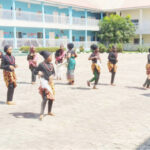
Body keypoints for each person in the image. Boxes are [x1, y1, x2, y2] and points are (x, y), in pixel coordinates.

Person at [34, 51, 55, 120]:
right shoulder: (41, 64)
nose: (52, 58)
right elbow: (34, 72)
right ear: (46, 57)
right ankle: (41, 113)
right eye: (50, 57)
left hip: (50, 84)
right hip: (44, 84)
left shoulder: (51, 65)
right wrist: (38, 72)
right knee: (45, 98)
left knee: (51, 98)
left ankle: (49, 111)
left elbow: (54, 73)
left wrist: (52, 76)